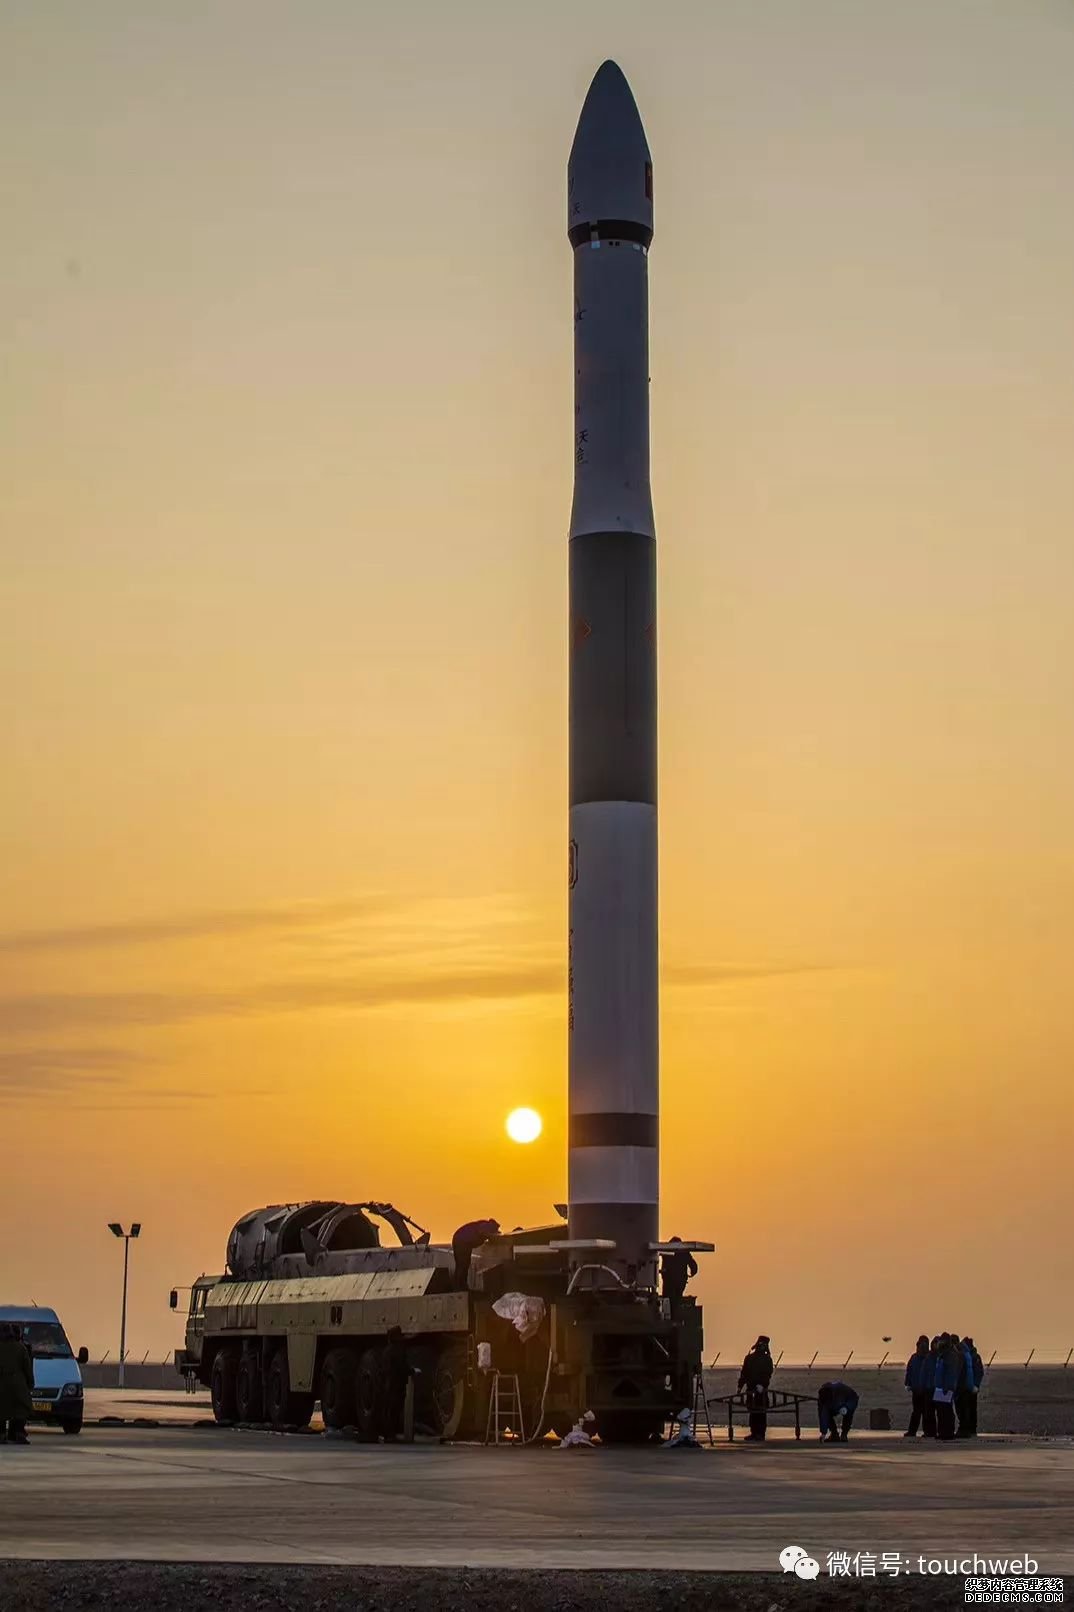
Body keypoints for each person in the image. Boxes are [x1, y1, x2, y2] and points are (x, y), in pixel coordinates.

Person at [0, 1321, 34, 1445]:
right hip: (18, 1383)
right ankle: (19, 1434)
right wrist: (30, 1383)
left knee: (2, 1410)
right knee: (21, 1409)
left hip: (2, 1383)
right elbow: (27, 1368)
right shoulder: (21, 1348)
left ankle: (2, 1434)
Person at [738, 1335, 774, 1441]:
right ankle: (754, 1432)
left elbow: (768, 1374)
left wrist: (763, 1385)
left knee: (761, 1411)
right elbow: (744, 1373)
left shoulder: (767, 1359)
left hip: (761, 1390)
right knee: (753, 1411)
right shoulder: (749, 1358)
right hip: (751, 1388)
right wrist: (740, 1386)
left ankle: (760, 1433)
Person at [380, 1326, 413, 1441]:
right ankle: (391, 1435)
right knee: (394, 1409)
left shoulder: (387, 1351)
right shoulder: (398, 1351)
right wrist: (412, 1371)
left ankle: (387, 1434)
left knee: (388, 1409)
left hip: (388, 1383)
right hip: (396, 1384)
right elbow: (402, 1367)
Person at [451, 1218, 500, 1288]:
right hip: (462, 1242)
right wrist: (491, 1236)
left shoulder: (483, 1225)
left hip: (463, 1242)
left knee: (463, 1265)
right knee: (462, 1264)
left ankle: (460, 1285)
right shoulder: (485, 1225)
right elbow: (482, 1232)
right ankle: (459, 1286)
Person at [904, 1334, 936, 1438]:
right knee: (920, 1412)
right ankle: (917, 1431)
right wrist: (908, 1383)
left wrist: (908, 1383)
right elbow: (909, 1371)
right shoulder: (917, 1357)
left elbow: (910, 1371)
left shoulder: (927, 1357)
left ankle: (924, 1432)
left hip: (924, 1389)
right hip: (918, 1388)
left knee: (924, 1412)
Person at [932, 1333, 961, 1440]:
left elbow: (951, 1373)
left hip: (946, 1387)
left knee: (946, 1410)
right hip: (939, 1387)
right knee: (940, 1411)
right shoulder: (942, 1354)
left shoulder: (951, 1355)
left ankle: (948, 1432)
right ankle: (942, 1432)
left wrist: (948, 1386)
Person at [660, 1237, 698, 1319]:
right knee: (675, 1299)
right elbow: (693, 1265)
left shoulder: (668, 1251)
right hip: (678, 1281)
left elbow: (693, 1265)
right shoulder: (684, 1252)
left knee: (669, 1299)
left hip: (670, 1281)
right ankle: (674, 1316)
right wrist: (693, 1272)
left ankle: (670, 1317)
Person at [956, 1335, 984, 1439]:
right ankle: (970, 1428)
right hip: (968, 1386)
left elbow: (979, 1372)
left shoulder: (974, 1357)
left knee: (971, 1408)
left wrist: (976, 1385)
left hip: (971, 1387)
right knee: (969, 1408)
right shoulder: (970, 1356)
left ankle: (971, 1428)